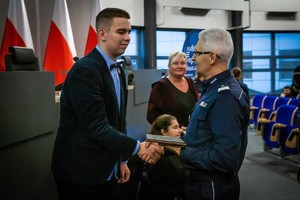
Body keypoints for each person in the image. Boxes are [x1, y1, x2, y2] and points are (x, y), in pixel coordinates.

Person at [51, 8, 164, 200]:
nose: (128, 37)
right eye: (121, 32)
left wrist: (122, 159)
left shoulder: (119, 69)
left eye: (129, 32)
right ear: (102, 34)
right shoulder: (85, 71)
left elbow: (118, 122)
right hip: (81, 172)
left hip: (108, 168)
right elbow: (97, 128)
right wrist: (139, 148)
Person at [166, 28, 250, 200]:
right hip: (200, 183)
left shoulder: (226, 97)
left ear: (212, 57)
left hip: (211, 187)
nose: (193, 58)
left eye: (197, 53)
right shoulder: (213, 89)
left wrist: (180, 150)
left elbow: (225, 158)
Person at [147, 51, 199, 132]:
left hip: (192, 132)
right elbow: (152, 115)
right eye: (175, 63)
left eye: (182, 63)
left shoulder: (190, 82)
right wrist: (175, 128)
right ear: (169, 66)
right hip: (172, 137)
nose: (179, 66)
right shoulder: (160, 86)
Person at [138, 114, 184, 200]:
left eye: (179, 127)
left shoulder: (175, 151)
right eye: (175, 127)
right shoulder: (160, 158)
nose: (180, 130)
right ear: (163, 131)